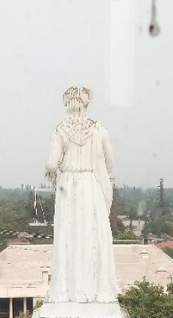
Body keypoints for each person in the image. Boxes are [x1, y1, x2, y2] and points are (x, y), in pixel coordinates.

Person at [44, 86, 119, 303]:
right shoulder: (99, 130)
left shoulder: (60, 131)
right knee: (91, 236)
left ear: (67, 104)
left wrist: (51, 169)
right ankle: (96, 289)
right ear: (86, 104)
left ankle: (66, 290)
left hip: (68, 185)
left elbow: (51, 162)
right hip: (90, 184)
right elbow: (111, 163)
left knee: (69, 237)